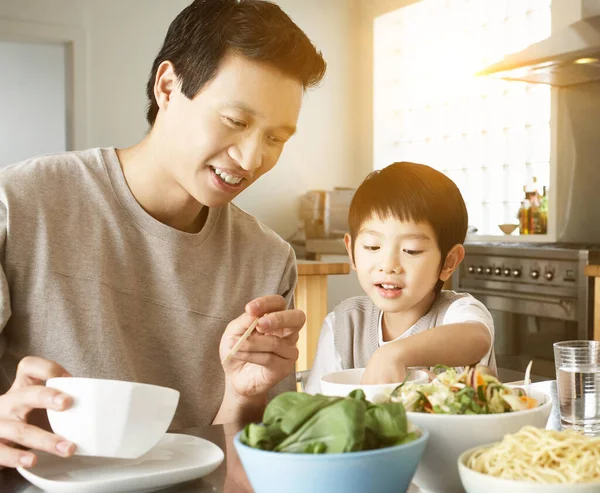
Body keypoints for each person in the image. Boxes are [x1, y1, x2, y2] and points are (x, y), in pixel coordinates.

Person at [0, 0, 326, 468]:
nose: (253, 159)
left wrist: (242, 395)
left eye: (276, 138)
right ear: (168, 87)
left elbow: (247, 458)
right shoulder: (19, 205)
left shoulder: (267, 259)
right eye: (236, 121)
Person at [305, 162, 496, 394]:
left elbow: (476, 338)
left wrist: (394, 353)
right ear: (351, 250)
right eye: (372, 246)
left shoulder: (458, 313)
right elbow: (317, 405)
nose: (388, 266)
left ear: (449, 262)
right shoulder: (344, 325)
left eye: (411, 250)